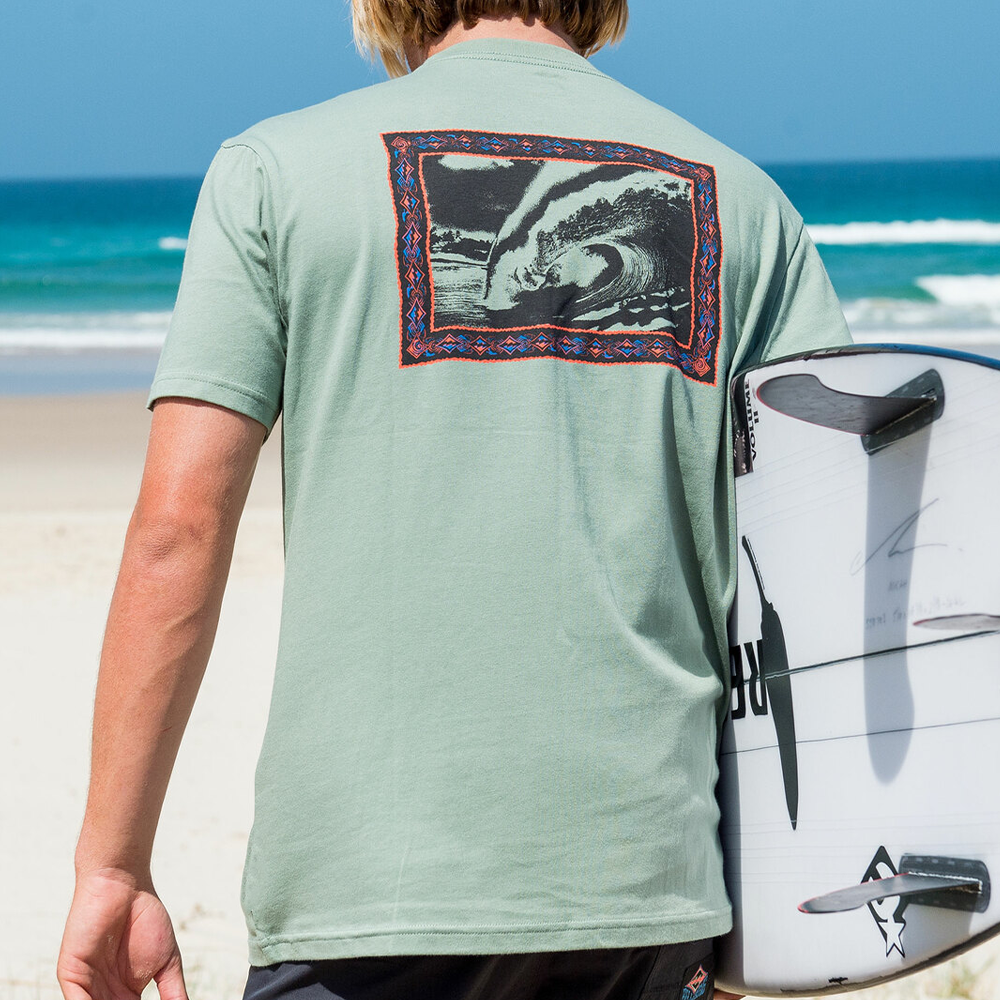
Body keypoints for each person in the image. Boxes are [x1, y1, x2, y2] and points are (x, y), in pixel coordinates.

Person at [57, 2, 851, 999]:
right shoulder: (746, 203)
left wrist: (112, 866)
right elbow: (817, 567)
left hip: (370, 889)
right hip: (648, 883)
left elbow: (180, 527)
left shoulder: (277, 173)